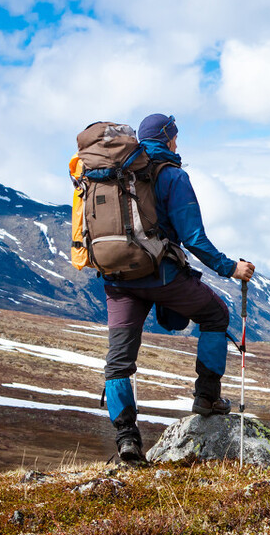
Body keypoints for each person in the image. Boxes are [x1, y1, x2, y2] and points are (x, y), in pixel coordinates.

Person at [102, 113, 255, 464]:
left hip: (118, 279)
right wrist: (231, 268)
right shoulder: (172, 176)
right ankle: (207, 397)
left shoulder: (113, 176)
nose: (177, 143)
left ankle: (127, 440)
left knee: (119, 362)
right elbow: (193, 237)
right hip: (162, 276)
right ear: (168, 139)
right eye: (175, 136)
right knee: (215, 314)